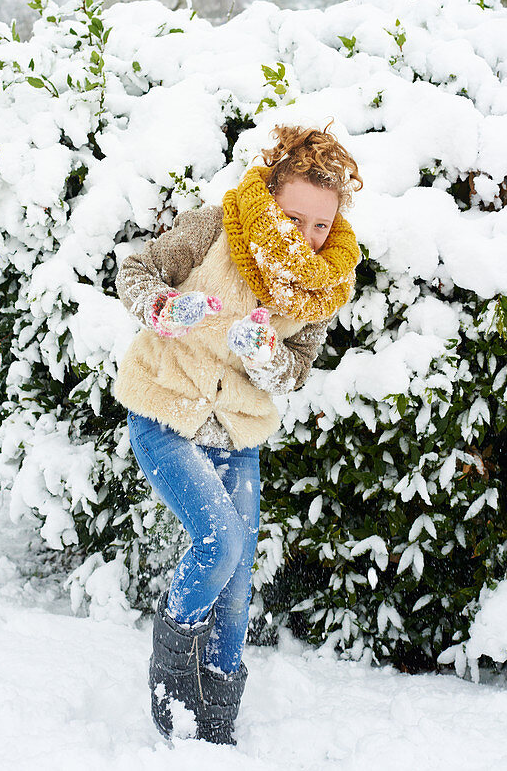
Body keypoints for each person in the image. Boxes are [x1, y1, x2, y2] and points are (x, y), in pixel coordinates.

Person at [114, 123, 362, 745]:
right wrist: (164, 308)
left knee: (238, 571)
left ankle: (217, 719)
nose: (309, 236)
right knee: (220, 543)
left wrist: (269, 357)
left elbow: (295, 371)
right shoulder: (217, 228)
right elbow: (136, 270)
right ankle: (172, 675)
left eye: (322, 225)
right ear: (272, 195)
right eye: (297, 217)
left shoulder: (319, 286)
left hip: (239, 432)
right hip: (165, 412)